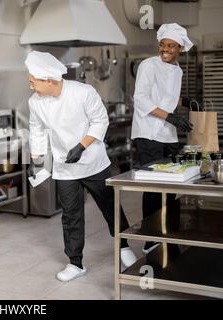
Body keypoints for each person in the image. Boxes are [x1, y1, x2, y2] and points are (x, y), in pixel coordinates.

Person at [25, 51, 137, 282]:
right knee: (71, 216)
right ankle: (75, 263)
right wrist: (35, 159)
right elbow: (36, 130)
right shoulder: (35, 102)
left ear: (48, 80)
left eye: (32, 81)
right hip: (64, 168)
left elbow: (100, 121)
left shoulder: (82, 92)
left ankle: (124, 246)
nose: (30, 86)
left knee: (110, 207)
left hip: (93, 162)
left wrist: (82, 146)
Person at [131, 23, 194, 254]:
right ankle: (150, 239)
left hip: (167, 133)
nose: (165, 49)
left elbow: (167, 96)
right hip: (148, 132)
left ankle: (166, 230)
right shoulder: (149, 65)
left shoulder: (178, 70)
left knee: (170, 184)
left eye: (171, 45)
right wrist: (171, 117)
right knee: (154, 187)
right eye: (162, 44)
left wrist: (183, 102)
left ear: (180, 48)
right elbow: (141, 100)